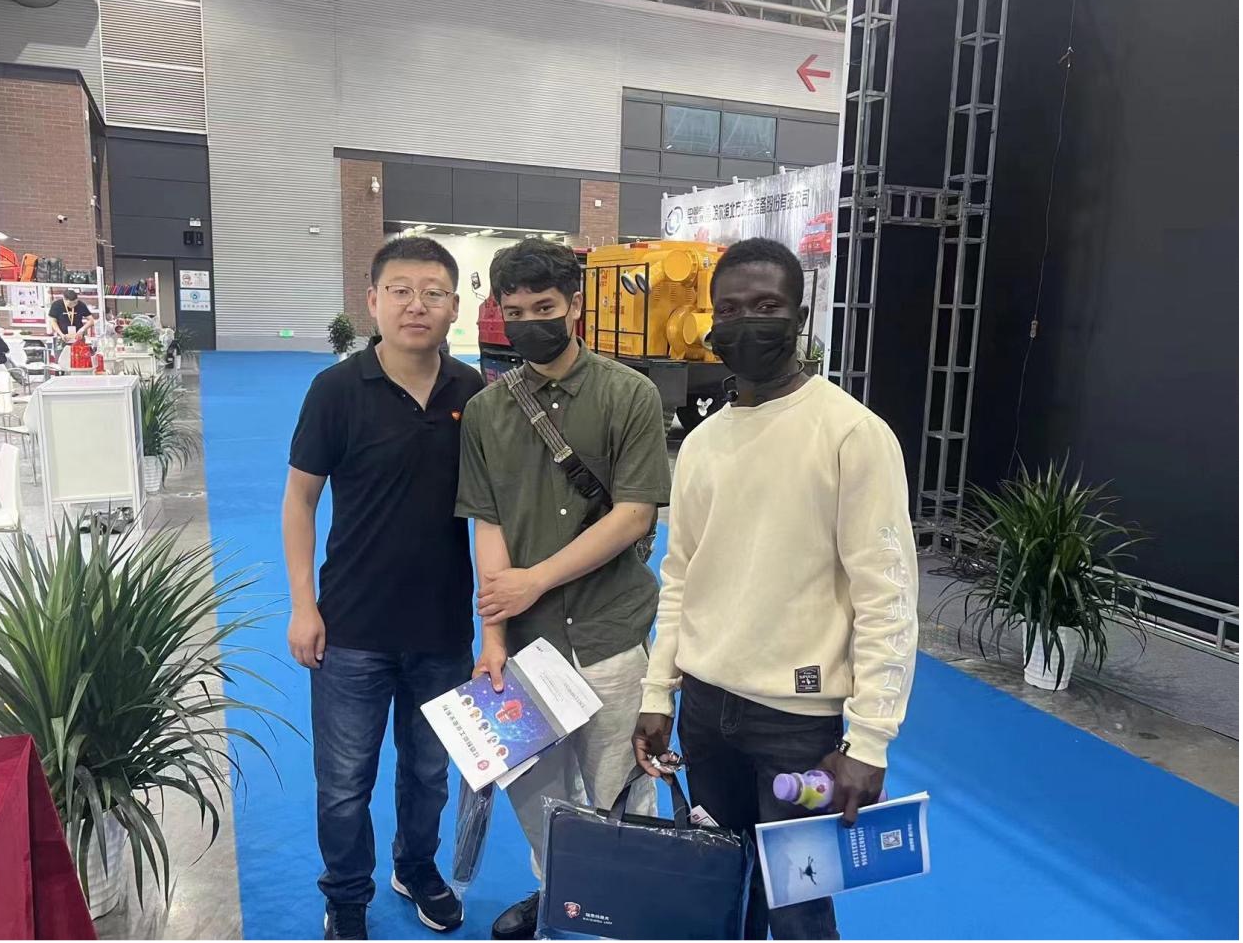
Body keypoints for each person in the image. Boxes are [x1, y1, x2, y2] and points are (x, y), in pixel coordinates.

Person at [632, 238, 919, 940]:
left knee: (798, 911)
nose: (746, 323)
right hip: (705, 712)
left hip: (796, 725)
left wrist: (870, 740)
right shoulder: (703, 444)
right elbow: (680, 576)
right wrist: (657, 692)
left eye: (766, 306)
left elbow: (886, 596)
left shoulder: (853, 434)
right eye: (728, 310)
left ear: (800, 314)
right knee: (722, 893)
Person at [455, 239, 672, 940]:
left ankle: (624, 914)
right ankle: (559, 895)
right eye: (515, 312)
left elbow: (634, 514)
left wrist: (537, 579)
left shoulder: (628, 394)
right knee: (537, 794)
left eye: (544, 307)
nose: (530, 323)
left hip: (611, 631)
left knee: (622, 792)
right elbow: (487, 524)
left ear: (575, 305)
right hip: (525, 644)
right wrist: (492, 636)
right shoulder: (486, 412)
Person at [283, 237, 484, 940]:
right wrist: (303, 605)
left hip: (441, 630)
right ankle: (346, 895)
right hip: (351, 628)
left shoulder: (473, 394)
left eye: (432, 293)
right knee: (344, 782)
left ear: (454, 307)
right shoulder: (336, 390)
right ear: (372, 301)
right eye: (400, 290)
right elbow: (300, 500)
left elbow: (494, 514)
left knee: (429, 772)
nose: (415, 305)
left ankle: (416, 866)